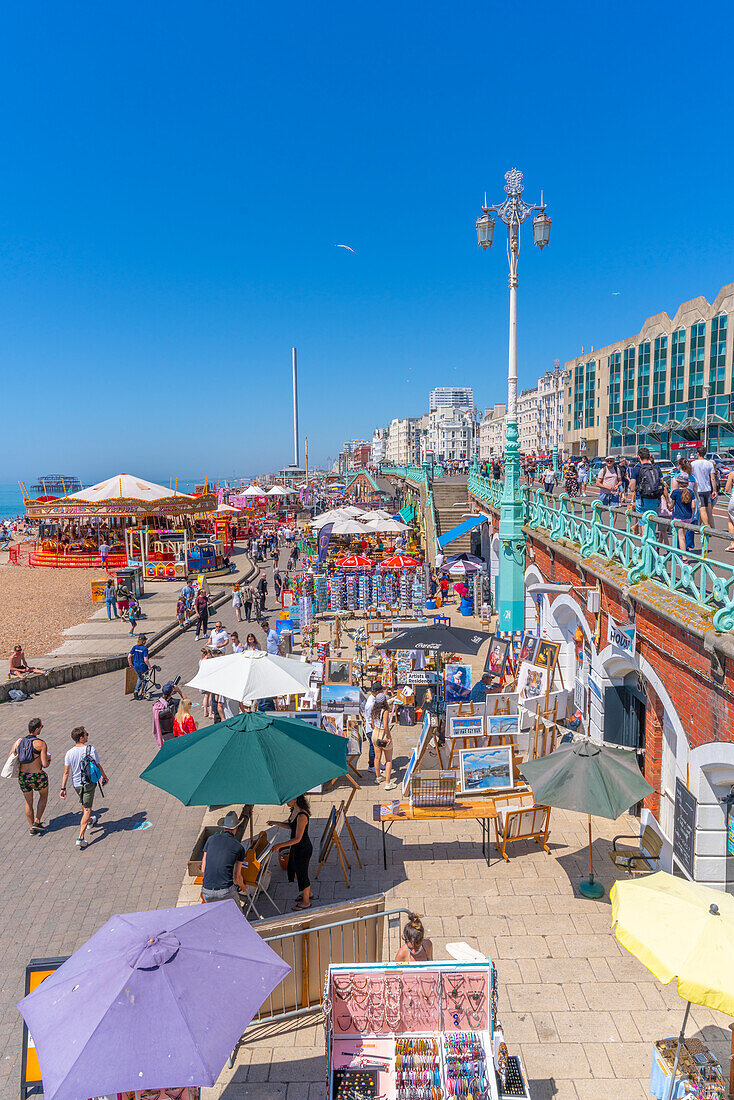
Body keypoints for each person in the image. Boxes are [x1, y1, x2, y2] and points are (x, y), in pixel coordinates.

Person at [60, 726, 108, 851]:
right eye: (86, 734)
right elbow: (97, 765)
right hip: (88, 783)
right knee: (87, 809)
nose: (88, 735)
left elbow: (66, 772)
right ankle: (80, 837)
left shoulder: (69, 753)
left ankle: (90, 821)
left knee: (84, 802)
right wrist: (104, 777)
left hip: (76, 784)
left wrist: (63, 788)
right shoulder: (90, 749)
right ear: (81, 737)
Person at [268, 795, 314, 911]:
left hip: (303, 849)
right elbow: (291, 827)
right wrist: (276, 823)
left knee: (302, 874)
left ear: (296, 799)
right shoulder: (294, 810)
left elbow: (298, 838)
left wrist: (279, 845)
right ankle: (307, 892)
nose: (286, 802)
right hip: (297, 848)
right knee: (296, 872)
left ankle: (306, 901)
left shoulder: (302, 816)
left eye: (288, 799)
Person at [14, 718, 50, 835]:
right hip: (37, 776)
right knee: (43, 795)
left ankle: (31, 828)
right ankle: (37, 821)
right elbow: (44, 764)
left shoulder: (19, 742)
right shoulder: (41, 744)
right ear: (37, 729)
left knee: (28, 802)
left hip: (23, 777)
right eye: (41, 727)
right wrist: (48, 761)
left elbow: (11, 757)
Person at [200, 810, 246, 903]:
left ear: (224, 827)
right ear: (236, 827)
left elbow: (203, 869)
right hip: (225, 890)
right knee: (237, 915)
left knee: (217, 915)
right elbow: (237, 877)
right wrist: (243, 886)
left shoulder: (211, 839)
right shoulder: (238, 847)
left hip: (207, 890)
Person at [627, 447, 670, 527]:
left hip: (642, 499)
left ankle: (645, 539)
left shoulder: (636, 469)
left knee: (644, 525)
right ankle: (651, 538)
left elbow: (632, 488)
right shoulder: (656, 468)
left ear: (638, 457)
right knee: (652, 524)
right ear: (649, 456)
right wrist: (667, 501)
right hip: (655, 499)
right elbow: (663, 485)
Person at [372, 693, 397, 791]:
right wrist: (389, 737)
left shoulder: (374, 709)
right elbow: (386, 726)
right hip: (383, 734)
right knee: (388, 760)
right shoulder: (385, 711)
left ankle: (378, 777)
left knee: (377, 757)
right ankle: (388, 783)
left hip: (375, 733)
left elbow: (372, 722)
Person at [670, 472, 698, 558]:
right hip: (688, 516)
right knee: (684, 536)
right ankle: (683, 551)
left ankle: (684, 557)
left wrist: (669, 507)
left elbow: (672, 505)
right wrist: (692, 513)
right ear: (688, 483)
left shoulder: (675, 492)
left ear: (678, 482)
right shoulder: (691, 492)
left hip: (678, 516)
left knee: (681, 536)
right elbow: (693, 506)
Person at [153, 680, 188, 747]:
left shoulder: (157, 705)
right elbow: (187, 701)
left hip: (163, 732)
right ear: (172, 692)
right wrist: (179, 691)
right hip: (173, 731)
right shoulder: (174, 703)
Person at [691, 445, 718, 527]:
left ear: (698, 453)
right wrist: (714, 490)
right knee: (709, 510)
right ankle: (712, 528)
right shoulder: (709, 464)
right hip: (707, 489)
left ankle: (706, 528)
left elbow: (691, 476)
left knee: (702, 509)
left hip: (698, 489)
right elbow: (713, 478)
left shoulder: (693, 464)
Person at [363, 680, 381, 774]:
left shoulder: (372, 699)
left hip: (374, 727)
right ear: (377, 692)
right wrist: (375, 729)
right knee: (373, 748)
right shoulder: (370, 703)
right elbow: (370, 719)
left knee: (377, 747)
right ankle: (371, 766)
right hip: (371, 729)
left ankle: (378, 763)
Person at [128, 634, 151, 699]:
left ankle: (136, 691)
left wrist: (130, 664)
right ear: (144, 641)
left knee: (140, 678)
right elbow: (145, 660)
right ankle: (144, 693)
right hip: (143, 667)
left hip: (136, 666)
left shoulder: (135, 647)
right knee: (146, 679)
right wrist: (149, 666)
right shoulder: (145, 649)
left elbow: (129, 656)